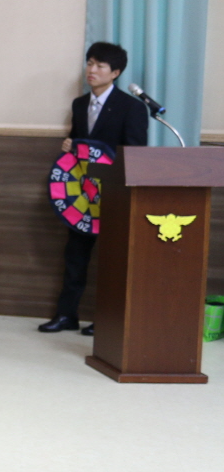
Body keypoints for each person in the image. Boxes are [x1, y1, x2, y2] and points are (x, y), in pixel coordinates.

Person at [40, 41, 149, 336]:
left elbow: (135, 152)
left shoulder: (132, 107)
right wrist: (69, 143)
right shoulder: (79, 104)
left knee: (113, 259)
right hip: (83, 195)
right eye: (90, 63)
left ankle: (108, 320)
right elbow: (78, 143)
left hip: (115, 195)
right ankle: (67, 315)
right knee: (75, 255)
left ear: (115, 72)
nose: (92, 70)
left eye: (100, 65)